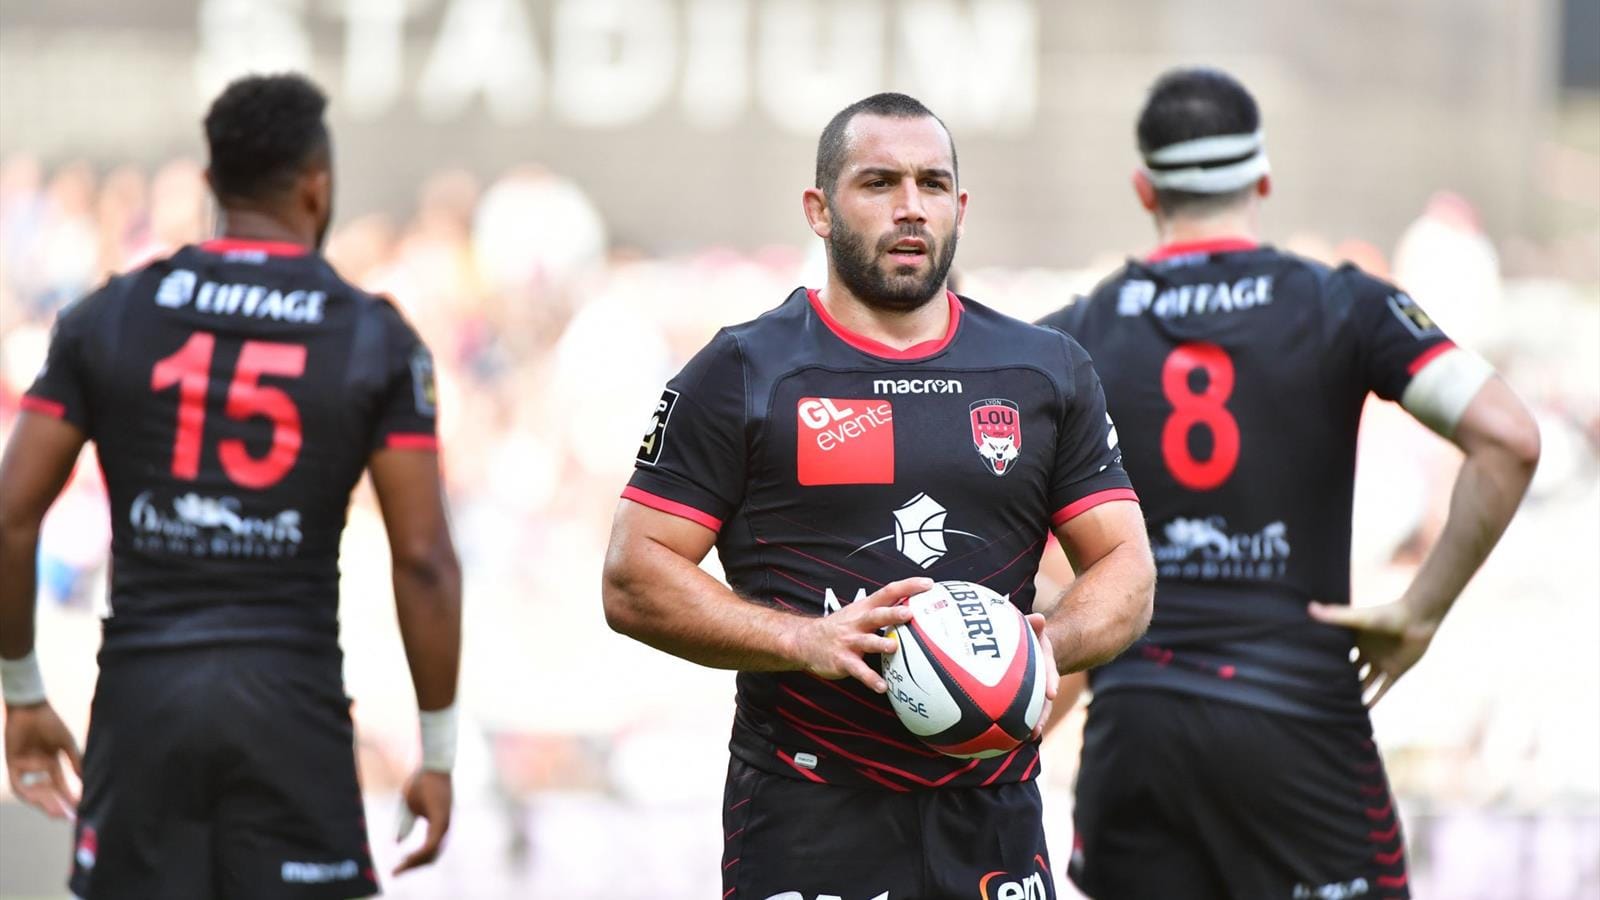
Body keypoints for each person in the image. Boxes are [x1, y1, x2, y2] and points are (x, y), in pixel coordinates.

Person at [601, 92, 1155, 899]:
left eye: (932, 184)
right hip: (808, 814)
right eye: (879, 183)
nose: (910, 206)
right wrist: (805, 640)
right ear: (819, 210)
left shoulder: (1044, 369)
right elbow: (632, 576)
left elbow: (1127, 569)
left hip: (991, 816)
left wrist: (1038, 653)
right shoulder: (745, 371)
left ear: (960, 207)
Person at [1038, 67, 1541, 900]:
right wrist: (1419, 613)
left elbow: (1026, 554)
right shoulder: (1344, 305)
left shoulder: (1070, 338)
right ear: (1263, 179)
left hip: (1135, 732)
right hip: (1298, 723)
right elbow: (1511, 438)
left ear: (1143, 189)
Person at [0, 73, 462, 899]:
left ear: (212, 183)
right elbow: (423, 557)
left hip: (143, 706)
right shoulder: (374, 338)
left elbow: (9, 516)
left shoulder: (110, 315)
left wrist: (23, 695)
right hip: (290, 709)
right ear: (317, 185)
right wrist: (438, 751)